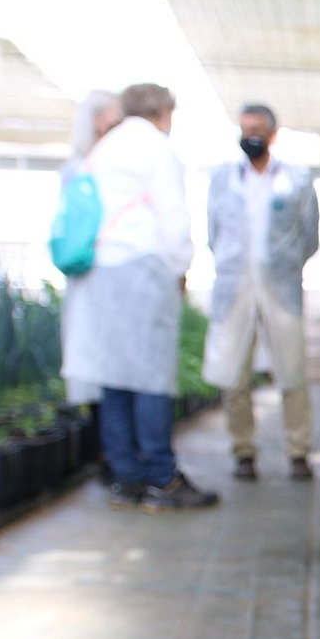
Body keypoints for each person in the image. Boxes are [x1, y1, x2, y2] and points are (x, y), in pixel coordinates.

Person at [60, 83, 219, 512]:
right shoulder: (154, 148)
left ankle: (127, 478)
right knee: (150, 377)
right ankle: (162, 480)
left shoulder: (102, 149)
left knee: (114, 378)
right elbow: (172, 217)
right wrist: (179, 267)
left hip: (98, 274)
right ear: (163, 113)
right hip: (139, 269)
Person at [203, 104, 320, 482]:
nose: (249, 135)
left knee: (292, 371)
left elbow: (310, 236)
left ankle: (298, 450)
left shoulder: (297, 181)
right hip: (235, 287)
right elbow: (213, 234)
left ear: (272, 134)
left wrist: (285, 266)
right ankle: (243, 451)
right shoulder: (222, 180)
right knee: (234, 373)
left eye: (256, 129)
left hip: (281, 287)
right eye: (244, 128)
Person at [59, 91, 125, 481]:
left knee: (113, 371)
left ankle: (116, 457)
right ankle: (109, 457)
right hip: (95, 282)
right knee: (102, 374)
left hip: (110, 285)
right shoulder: (81, 169)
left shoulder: (97, 166)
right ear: (99, 122)